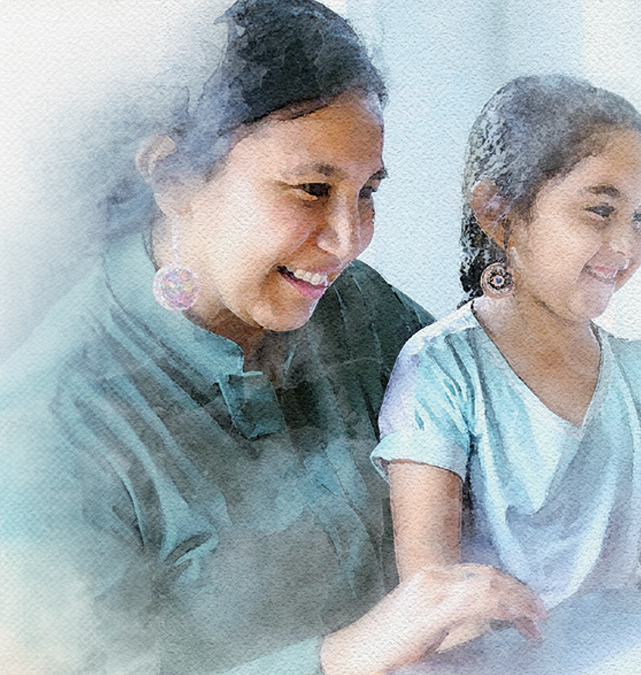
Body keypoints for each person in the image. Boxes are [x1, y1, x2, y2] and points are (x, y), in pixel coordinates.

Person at [0, 2, 544, 674]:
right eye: (312, 189)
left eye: (367, 190)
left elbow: (521, 456)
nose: (349, 240)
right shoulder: (46, 429)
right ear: (174, 178)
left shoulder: (359, 308)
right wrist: (341, 656)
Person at [372, 76, 641, 647]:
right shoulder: (442, 369)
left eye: (640, 216)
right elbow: (431, 594)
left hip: (628, 656)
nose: (628, 244)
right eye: (600, 210)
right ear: (499, 213)